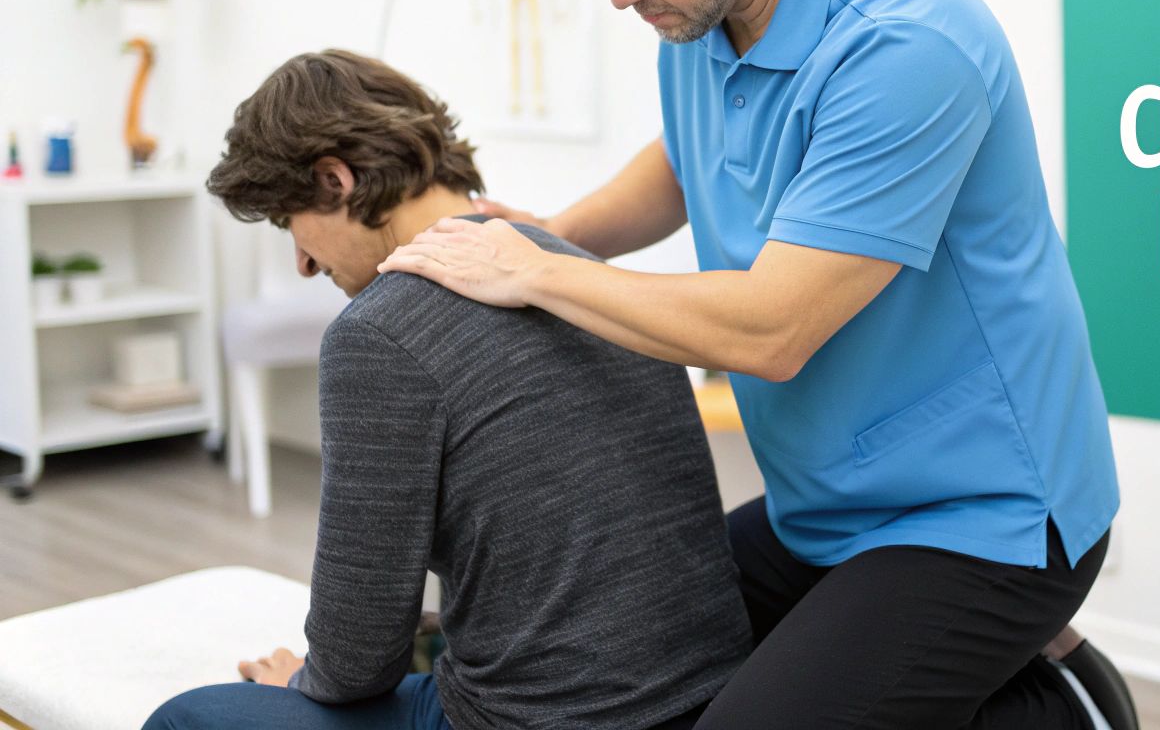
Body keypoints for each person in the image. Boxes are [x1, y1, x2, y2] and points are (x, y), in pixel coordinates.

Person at [380, 0, 1137, 730]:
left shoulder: (905, 42)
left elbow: (773, 329)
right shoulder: (705, 10)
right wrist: (555, 233)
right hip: (823, 507)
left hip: (982, 516)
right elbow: (686, 158)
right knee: (600, 651)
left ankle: (1060, 701)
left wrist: (538, 273)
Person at [145, 50, 751, 730]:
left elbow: (354, 662)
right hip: (713, 696)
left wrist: (297, 683)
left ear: (335, 180)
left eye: (291, 225)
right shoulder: (592, 277)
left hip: (546, 720)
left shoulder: (379, 332)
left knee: (187, 718)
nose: (304, 263)